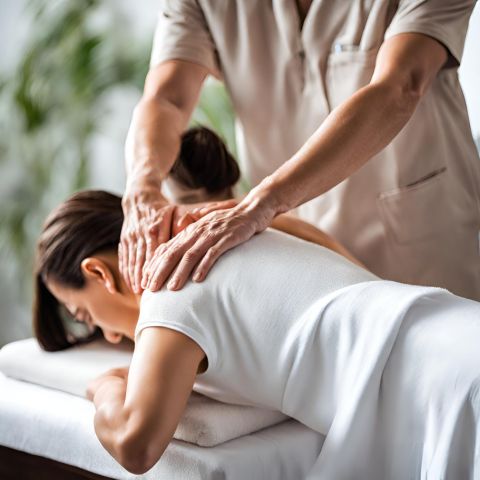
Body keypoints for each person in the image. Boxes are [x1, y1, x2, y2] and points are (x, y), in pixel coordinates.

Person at [33, 132, 480, 478]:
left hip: (438, 395)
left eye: (86, 315)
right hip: (455, 326)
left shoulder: (168, 287)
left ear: (99, 273)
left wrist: (104, 387)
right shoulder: (250, 226)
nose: (110, 336)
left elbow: (135, 445)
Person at [121, 0, 480, 301]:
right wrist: (142, 185)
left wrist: (261, 204)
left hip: (422, 243)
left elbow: (401, 85)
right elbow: (166, 98)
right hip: (298, 258)